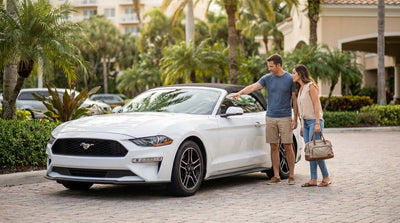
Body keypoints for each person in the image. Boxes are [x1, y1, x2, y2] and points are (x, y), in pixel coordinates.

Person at [232, 54, 298, 185]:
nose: (269, 69)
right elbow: (253, 87)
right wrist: (240, 93)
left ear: (279, 65)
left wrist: (295, 118)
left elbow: (295, 99)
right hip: (270, 117)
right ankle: (276, 175)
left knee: (288, 145)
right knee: (273, 146)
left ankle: (291, 175)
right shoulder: (267, 78)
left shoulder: (290, 79)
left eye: (271, 66)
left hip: (285, 117)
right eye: (269, 66)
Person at [291, 64, 331, 187]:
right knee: (310, 152)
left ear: (300, 74)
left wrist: (318, 123)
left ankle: (326, 177)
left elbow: (316, 105)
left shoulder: (311, 86)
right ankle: (313, 179)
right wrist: (302, 126)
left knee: (317, 151)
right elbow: (302, 110)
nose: (292, 75)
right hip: (306, 123)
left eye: (294, 73)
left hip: (315, 121)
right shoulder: (300, 89)